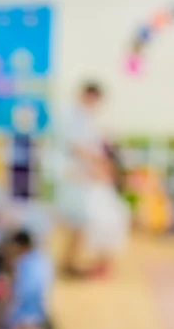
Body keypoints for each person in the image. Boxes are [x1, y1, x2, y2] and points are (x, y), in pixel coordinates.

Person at [55, 81, 129, 278]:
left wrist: (100, 167)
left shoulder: (87, 119)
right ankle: (68, 264)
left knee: (85, 224)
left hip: (87, 179)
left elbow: (91, 148)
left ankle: (78, 263)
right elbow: (76, 147)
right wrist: (95, 165)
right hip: (76, 178)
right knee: (79, 224)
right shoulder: (70, 116)